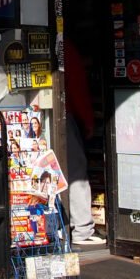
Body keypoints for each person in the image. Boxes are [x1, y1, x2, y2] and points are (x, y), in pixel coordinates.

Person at [63, 40, 103, 246]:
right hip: (64, 117)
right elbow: (77, 87)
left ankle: (60, 228)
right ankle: (82, 229)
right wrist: (88, 121)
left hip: (43, 115)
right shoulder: (66, 48)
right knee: (76, 172)